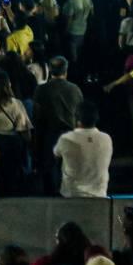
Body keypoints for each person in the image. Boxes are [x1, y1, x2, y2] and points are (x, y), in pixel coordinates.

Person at [33, 56, 83, 196]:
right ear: (66, 71)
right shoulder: (75, 89)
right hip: (71, 133)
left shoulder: (41, 90)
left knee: (49, 171)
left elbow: (37, 116)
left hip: (49, 133)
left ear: (50, 70)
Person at [52, 101, 112, 198]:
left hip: (71, 194)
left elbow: (55, 154)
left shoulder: (66, 138)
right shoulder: (106, 138)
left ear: (77, 119)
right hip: (99, 194)